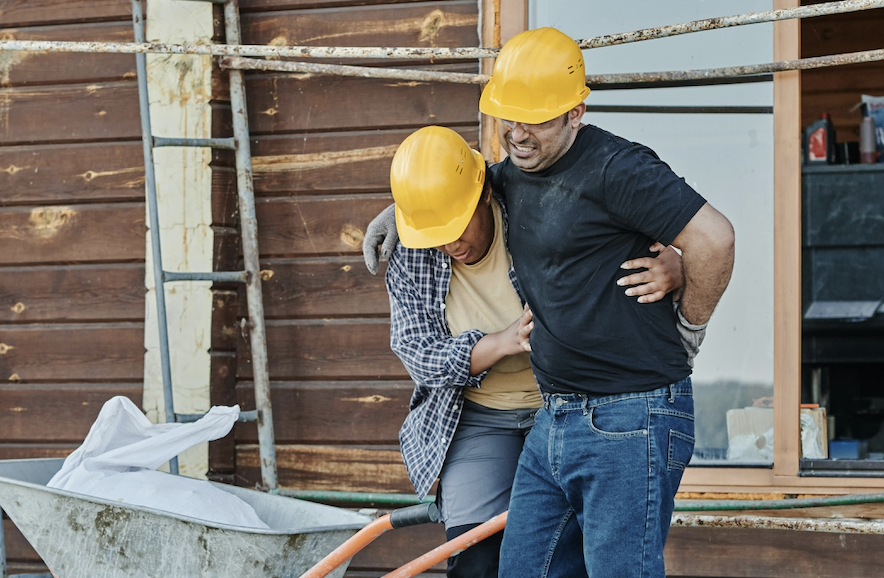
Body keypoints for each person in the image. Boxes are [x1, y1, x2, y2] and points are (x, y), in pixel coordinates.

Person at [366, 27, 735, 578]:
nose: (517, 134)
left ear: (575, 112)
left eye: (534, 118)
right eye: (507, 118)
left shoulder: (617, 168)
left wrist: (689, 322)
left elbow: (715, 239)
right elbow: (464, 183)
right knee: (520, 568)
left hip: (629, 411)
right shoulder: (514, 177)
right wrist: (398, 213)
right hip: (558, 416)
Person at [381, 125, 687, 578]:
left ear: (484, 195)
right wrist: (498, 343)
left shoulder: (534, 205)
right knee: (476, 562)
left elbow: (613, 232)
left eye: (456, 226)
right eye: (434, 233)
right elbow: (417, 354)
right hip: (479, 414)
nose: (450, 244)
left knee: (572, 554)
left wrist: (678, 261)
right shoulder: (412, 251)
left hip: (565, 404)